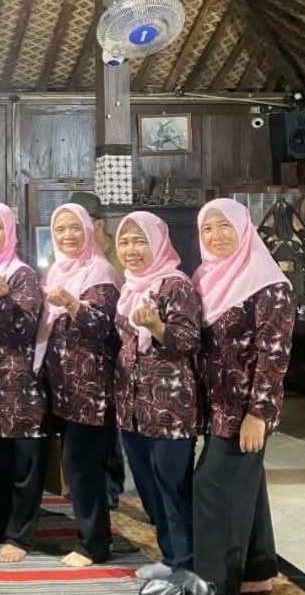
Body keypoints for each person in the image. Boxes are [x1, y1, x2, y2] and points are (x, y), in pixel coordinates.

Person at [192, 199, 294, 595]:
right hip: (215, 405)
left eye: (224, 226)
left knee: (212, 487)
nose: (216, 236)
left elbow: (275, 354)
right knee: (247, 482)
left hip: (244, 410)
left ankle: (214, 583)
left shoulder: (267, 283)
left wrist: (259, 413)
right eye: (207, 228)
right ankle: (257, 571)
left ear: (243, 228)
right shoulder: (205, 278)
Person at [113, 211, 202, 577]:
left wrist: (157, 326)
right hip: (133, 407)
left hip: (170, 407)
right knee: (148, 487)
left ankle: (187, 564)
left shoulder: (176, 285)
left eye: (140, 241)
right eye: (124, 241)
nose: (131, 250)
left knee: (173, 487)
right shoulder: (130, 287)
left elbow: (189, 340)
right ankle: (170, 557)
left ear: (159, 243)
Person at [34, 202, 121, 567]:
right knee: (77, 467)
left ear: (89, 230)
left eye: (74, 228)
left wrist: (73, 304)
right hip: (64, 388)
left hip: (91, 389)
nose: (68, 235)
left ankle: (94, 544)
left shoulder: (99, 270)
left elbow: (104, 326)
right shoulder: (57, 270)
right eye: (61, 229)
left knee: (83, 466)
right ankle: (90, 536)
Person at [0, 202, 47, 563]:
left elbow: (25, 328)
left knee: (23, 465)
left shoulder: (21, 275)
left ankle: (20, 535)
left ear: (10, 232)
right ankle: (0, 526)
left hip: (20, 387)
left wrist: (2, 300)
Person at [68, 191, 126, 509]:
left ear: (98, 224)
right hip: (80, 359)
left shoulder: (119, 255)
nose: (73, 232)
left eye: (81, 223)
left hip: (115, 350)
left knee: (107, 428)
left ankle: (110, 486)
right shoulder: (71, 256)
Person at [70, 191, 124, 276]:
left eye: (78, 227)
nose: (70, 234)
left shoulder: (125, 250)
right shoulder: (65, 253)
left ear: (99, 225)